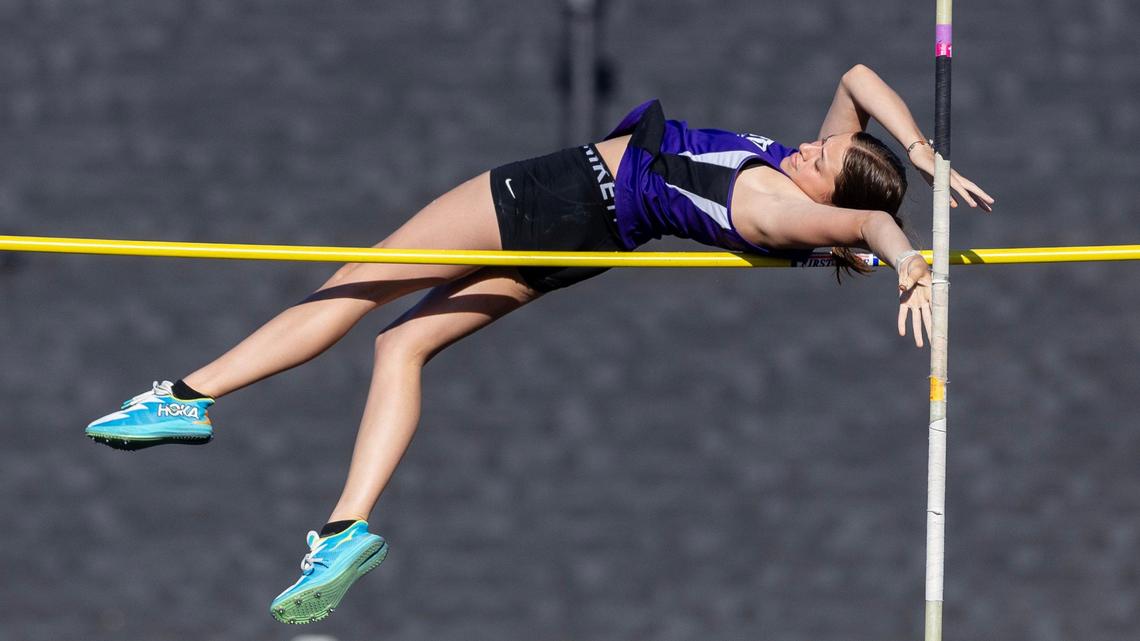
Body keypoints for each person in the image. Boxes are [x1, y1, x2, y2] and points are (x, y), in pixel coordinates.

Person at [85, 63, 993, 624]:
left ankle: (187, 395)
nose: (807, 147)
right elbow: (858, 78)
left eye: (822, 161)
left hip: (558, 197)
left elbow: (870, 229)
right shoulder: (811, 185)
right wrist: (919, 150)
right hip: (588, 243)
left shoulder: (787, 207)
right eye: (818, 148)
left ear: (831, 201)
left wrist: (910, 261)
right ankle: (343, 530)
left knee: (352, 288)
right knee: (399, 350)